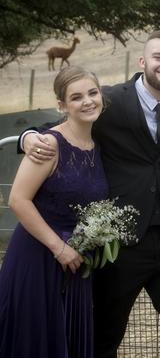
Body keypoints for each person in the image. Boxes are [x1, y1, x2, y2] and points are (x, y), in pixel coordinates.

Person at [20, 30, 160, 358]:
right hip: (118, 240)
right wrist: (27, 136)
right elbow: (60, 126)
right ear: (143, 61)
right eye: (159, 58)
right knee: (105, 334)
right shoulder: (109, 99)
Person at [0, 66, 107, 357]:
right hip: (37, 259)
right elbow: (18, 200)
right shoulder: (48, 144)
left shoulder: (98, 145)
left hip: (75, 264)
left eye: (93, 93)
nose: (87, 101)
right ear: (62, 105)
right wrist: (59, 248)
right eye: (76, 97)